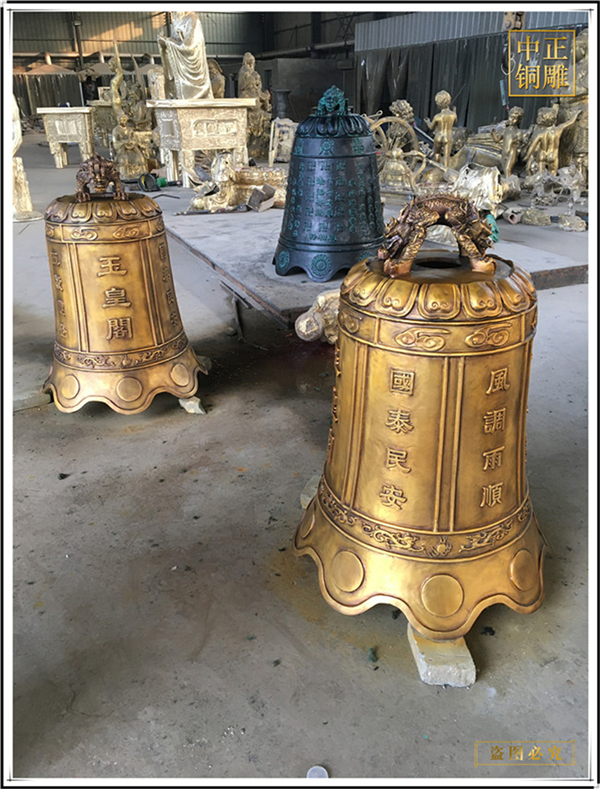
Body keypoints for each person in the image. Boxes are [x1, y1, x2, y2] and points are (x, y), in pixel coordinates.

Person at [158, 11, 213, 100]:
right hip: (180, 72)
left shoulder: (192, 19)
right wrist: (164, 43)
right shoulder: (177, 21)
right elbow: (176, 42)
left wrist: (167, 41)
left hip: (192, 72)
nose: (173, 11)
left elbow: (189, 47)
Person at [424, 90, 456, 167]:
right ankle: (445, 171)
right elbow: (455, 122)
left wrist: (428, 122)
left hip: (438, 136)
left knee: (437, 153)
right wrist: (454, 111)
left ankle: (437, 168)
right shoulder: (453, 115)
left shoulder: (437, 116)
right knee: (446, 156)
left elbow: (431, 127)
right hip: (448, 136)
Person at [491, 106, 526, 177]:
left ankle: (510, 183)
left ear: (519, 120)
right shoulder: (505, 130)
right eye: (511, 117)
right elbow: (497, 140)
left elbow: (522, 144)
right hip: (504, 153)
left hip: (512, 153)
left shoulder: (518, 132)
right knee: (505, 170)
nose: (512, 120)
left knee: (508, 170)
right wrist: (492, 134)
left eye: (515, 118)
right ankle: (509, 182)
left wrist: (518, 146)